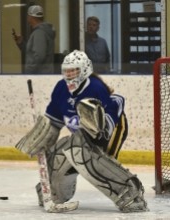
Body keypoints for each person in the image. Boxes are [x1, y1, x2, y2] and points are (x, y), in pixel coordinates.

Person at [16, 50, 148, 212]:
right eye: (67, 70)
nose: (70, 74)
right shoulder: (60, 89)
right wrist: (43, 137)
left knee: (86, 155)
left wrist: (103, 125)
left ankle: (129, 192)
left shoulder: (95, 88)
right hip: (82, 134)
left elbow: (117, 102)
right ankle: (54, 193)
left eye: (74, 70)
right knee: (60, 152)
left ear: (85, 70)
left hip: (111, 130)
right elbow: (54, 122)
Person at [13, 5, 55, 74]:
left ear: (31, 17)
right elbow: (33, 53)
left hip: (39, 76)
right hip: (42, 75)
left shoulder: (39, 33)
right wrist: (21, 43)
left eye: (28, 15)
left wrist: (29, 71)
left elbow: (39, 56)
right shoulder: (42, 32)